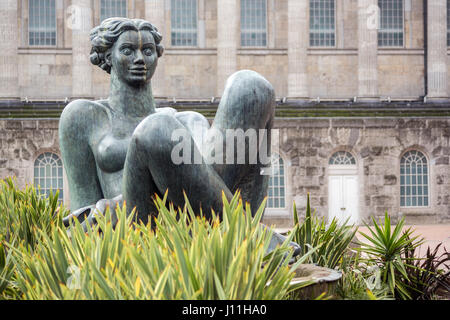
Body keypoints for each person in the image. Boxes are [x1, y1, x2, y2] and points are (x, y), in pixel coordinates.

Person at [60, 17, 299, 256]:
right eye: (127, 50)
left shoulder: (187, 119)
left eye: (148, 50)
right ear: (107, 56)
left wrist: (119, 202)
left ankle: (242, 232)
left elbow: (209, 175)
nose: (140, 59)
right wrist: (120, 206)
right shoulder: (84, 116)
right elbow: (83, 217)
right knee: (156, 130)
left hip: (204, 223)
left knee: (251, 86)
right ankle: (249, 234)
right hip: (139, 232)